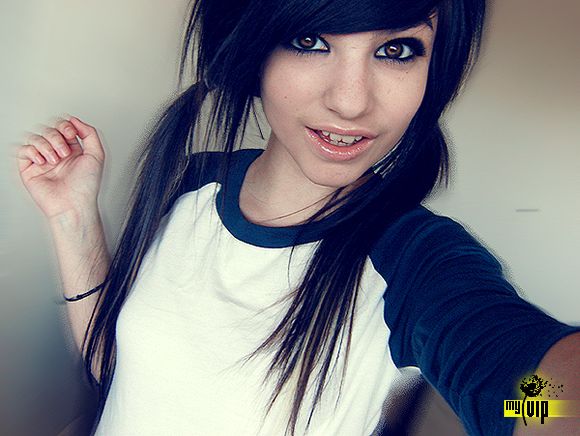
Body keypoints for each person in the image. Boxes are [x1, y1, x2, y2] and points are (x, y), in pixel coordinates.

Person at [15, 0, 579, 435]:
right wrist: (72, 216)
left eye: (398, 49)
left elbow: (542, 396)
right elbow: (115, 368)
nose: (351, 102)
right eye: (310, 41)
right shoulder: (192, 183)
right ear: (254, 49)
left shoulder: (414, 262)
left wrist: (541, 402)